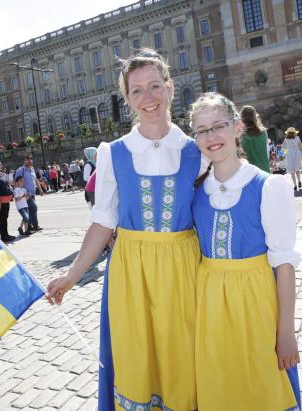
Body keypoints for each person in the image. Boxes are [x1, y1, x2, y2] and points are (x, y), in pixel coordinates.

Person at [46, 49, 202, 411]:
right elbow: (102, 221)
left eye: (155, 86)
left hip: (185, 269)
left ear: (170, 87)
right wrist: (71, 275)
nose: (148, 98)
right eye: (137, 91)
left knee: (186, 357)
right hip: (131, 271)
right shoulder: (113, 152)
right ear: (127, 99)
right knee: (137, 359)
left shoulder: (197, 150)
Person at [189, 92, 301, 410]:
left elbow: (284, 264)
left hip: (256, 302)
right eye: (202, 130)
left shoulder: (267, 186)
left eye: (219, 126)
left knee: (262, 384)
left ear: (238, 128)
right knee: (219, 385)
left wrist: (286, 332)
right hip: (208, 304)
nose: (211, 136)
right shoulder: (197, 190)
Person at [15, 155, 44, 232]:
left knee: (31, 210)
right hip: (25, 194)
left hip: (32, 193)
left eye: (30, 159)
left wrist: (40, 189)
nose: (29, 160)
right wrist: (18, 193)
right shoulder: (21, 170)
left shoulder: (32, 169)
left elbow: (35, 180)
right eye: (27, 159)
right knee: (34, 207)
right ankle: (34, 226)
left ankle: (26, 227)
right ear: (24, 160)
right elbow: (16, 182)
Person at [240, 105, 271, 172]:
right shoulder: (263, 132)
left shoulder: (240, 135)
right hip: (264, 170)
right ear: (255, 117)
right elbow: (267, 153)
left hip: (248, 172)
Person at [282, 127, 302, 191]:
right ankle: (299, 181)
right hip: (297, 154)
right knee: (297, 169)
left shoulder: (286, 139)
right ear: (294, 132)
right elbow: (300, 146)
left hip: (289, 155)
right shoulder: (297, 138)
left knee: (292, 171)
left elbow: (283, 147)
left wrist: (282, 154)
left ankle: (295, 185)